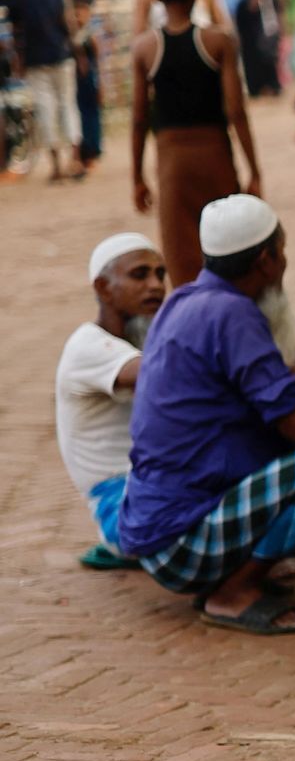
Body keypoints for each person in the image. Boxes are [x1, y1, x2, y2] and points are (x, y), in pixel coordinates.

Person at [117, 195, 295, 636]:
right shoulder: (232, 313)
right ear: (267, 260)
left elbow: (277, 408)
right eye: (283, 253)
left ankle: (238, 575)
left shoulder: (185, 301)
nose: (284, 264)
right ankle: (232, 593)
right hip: (179, 541)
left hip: (154, 530)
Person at [132, 0, 263, 288]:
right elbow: (236, 111)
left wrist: (137, 176)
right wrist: (254, 170)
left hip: (172, 163)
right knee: (231, 249)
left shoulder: (144, 48)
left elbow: (139, 119)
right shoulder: (218, 42)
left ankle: (196, 324)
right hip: (215, 154)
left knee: (181, 257)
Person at [58, 234, 168, 569]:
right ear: (104, 288)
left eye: (161, 274)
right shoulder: (88, 346)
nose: (156, 285)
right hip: (121, 510)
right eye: (140, 275)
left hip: (143, 491)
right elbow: (170, 376)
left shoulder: (140, 338)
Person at [6, 0, 82, 181]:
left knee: (46, 109)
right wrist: (76, 52)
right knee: (68, 105)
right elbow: (64, 22)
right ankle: (75, 159)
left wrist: (18, 61)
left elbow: (16, 33)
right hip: (61, 54)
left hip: (35, 60)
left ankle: (57, 165)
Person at [73, 0, 102, 170]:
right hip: (79, 82)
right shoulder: (75, 37)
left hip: (90, 80)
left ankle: (93, 150)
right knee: (83, 116)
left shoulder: (90, 36)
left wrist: (100, 83)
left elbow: (98, 63)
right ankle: (85, 151)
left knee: (91, 116)